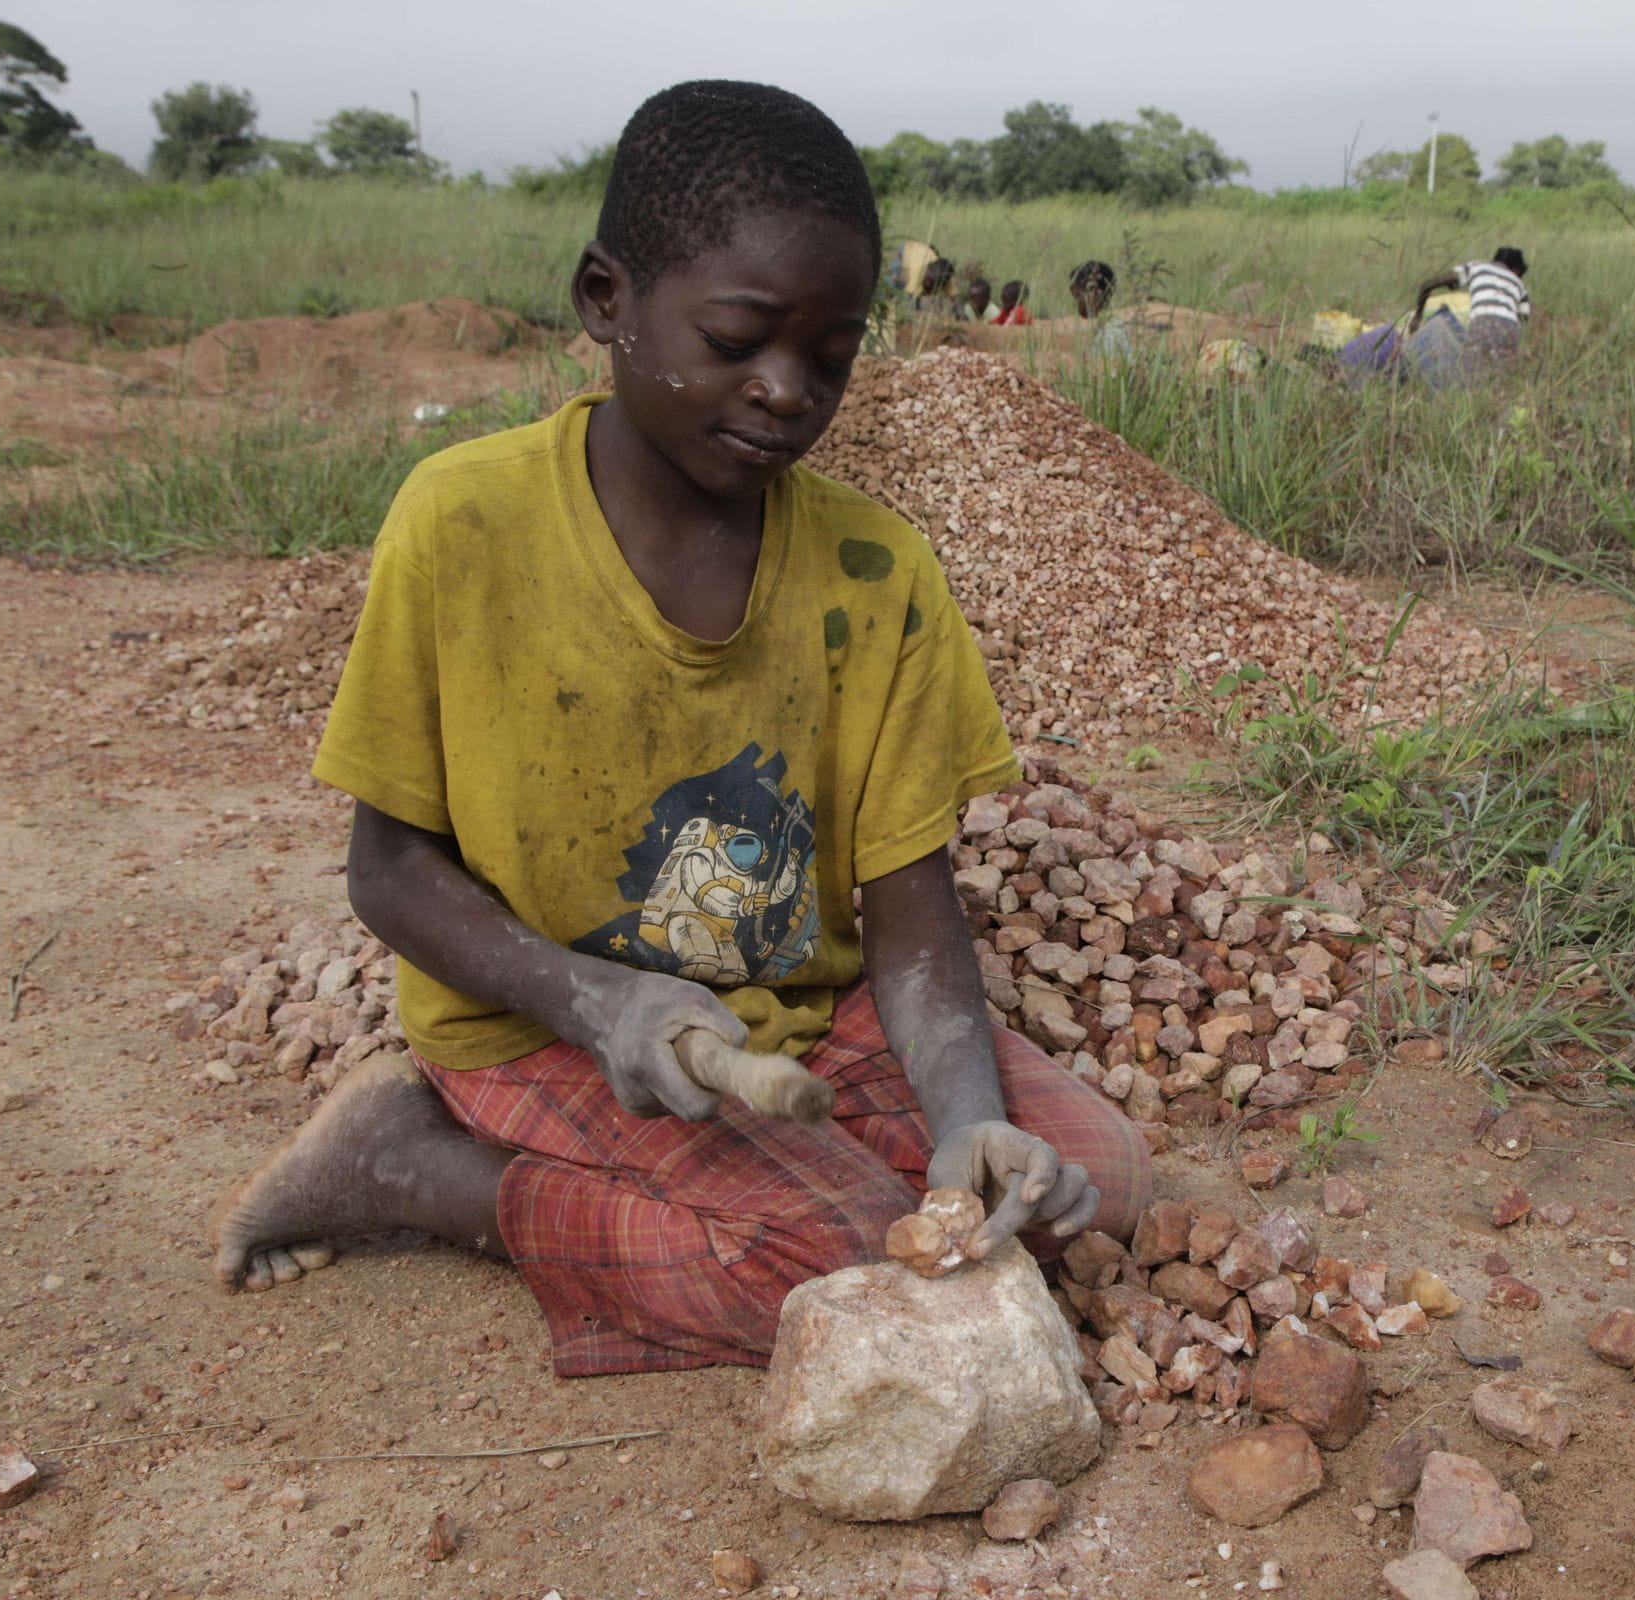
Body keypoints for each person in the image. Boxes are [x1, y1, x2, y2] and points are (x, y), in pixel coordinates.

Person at [208, 80, 1150, 1376]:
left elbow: (912, 907)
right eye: (739, 338)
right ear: (607, 298)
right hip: (539, 1017)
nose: (785, 390)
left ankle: (874, 1164)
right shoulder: (464, 528)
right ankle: (421, 1170)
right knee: (839, 1260)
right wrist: (595, 1003)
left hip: (804, 1015)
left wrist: (966, 1125)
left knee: (1091, 1179)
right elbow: (389, 872)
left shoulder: (877, 575)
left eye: (829, 356)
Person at [1408, 245, 1530, 372]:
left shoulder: (1476, 266)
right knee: (1502, 375)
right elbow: (1523, 318)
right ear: (1517, 270)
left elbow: (1427, 285)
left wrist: (1417, 317)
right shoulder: (1520, 284)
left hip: (1482, 322)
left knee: (1471, 372)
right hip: (1511, 328)